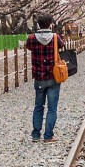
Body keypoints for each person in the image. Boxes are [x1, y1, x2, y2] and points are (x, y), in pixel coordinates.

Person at [25, 13, 66, 142]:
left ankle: (36, 134)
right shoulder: (55, 37)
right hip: (53, 77)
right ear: (50, 24)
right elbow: (62, 45)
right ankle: (48, 135)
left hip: (39, 77)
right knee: (52, 108)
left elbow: (28, 47)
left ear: (38, 24)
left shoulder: (32, 38)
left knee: (38, 106)